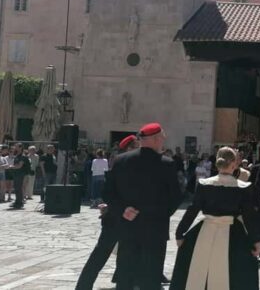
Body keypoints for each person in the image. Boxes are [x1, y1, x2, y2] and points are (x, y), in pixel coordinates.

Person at [170, 147, 260, 290]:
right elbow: (249, 216)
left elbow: (193, 210)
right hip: (233, 234)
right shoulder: (243, 187)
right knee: (235, 271)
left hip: (205, 231)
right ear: (234, 164)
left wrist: (180, 233)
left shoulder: (204, 184)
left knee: (197, 268)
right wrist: (255, 240)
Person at [105, 123, 181, 289]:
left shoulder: (121, 160)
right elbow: (176, 197)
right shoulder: (166, 164)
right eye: (161, 138)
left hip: (127, 227)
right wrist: (160, 214)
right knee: (151, 278)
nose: (163, 141)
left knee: (125, 275)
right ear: (154, 139)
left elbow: (108, 193)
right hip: (155, 229)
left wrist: (123, 210)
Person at [75, 135, 140, 290]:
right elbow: (110, 193)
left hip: (127, 219)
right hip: (115, 219)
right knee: (101, 254)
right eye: (136, 147)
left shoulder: (135, 167)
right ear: (129, 149)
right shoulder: (120, 166)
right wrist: (113, 207)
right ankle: (83, 286)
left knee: (126, 255)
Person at [7, 143, 30, 209]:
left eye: (16, 146)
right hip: (16, 174)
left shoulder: (22, 156)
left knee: (19, 188)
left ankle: (19, 203)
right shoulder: (17, 155)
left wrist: (11, 167)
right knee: (17, 188)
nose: (14, 147)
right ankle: (17, 201)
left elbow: (19, 166)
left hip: (20, 174)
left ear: (20, 148)